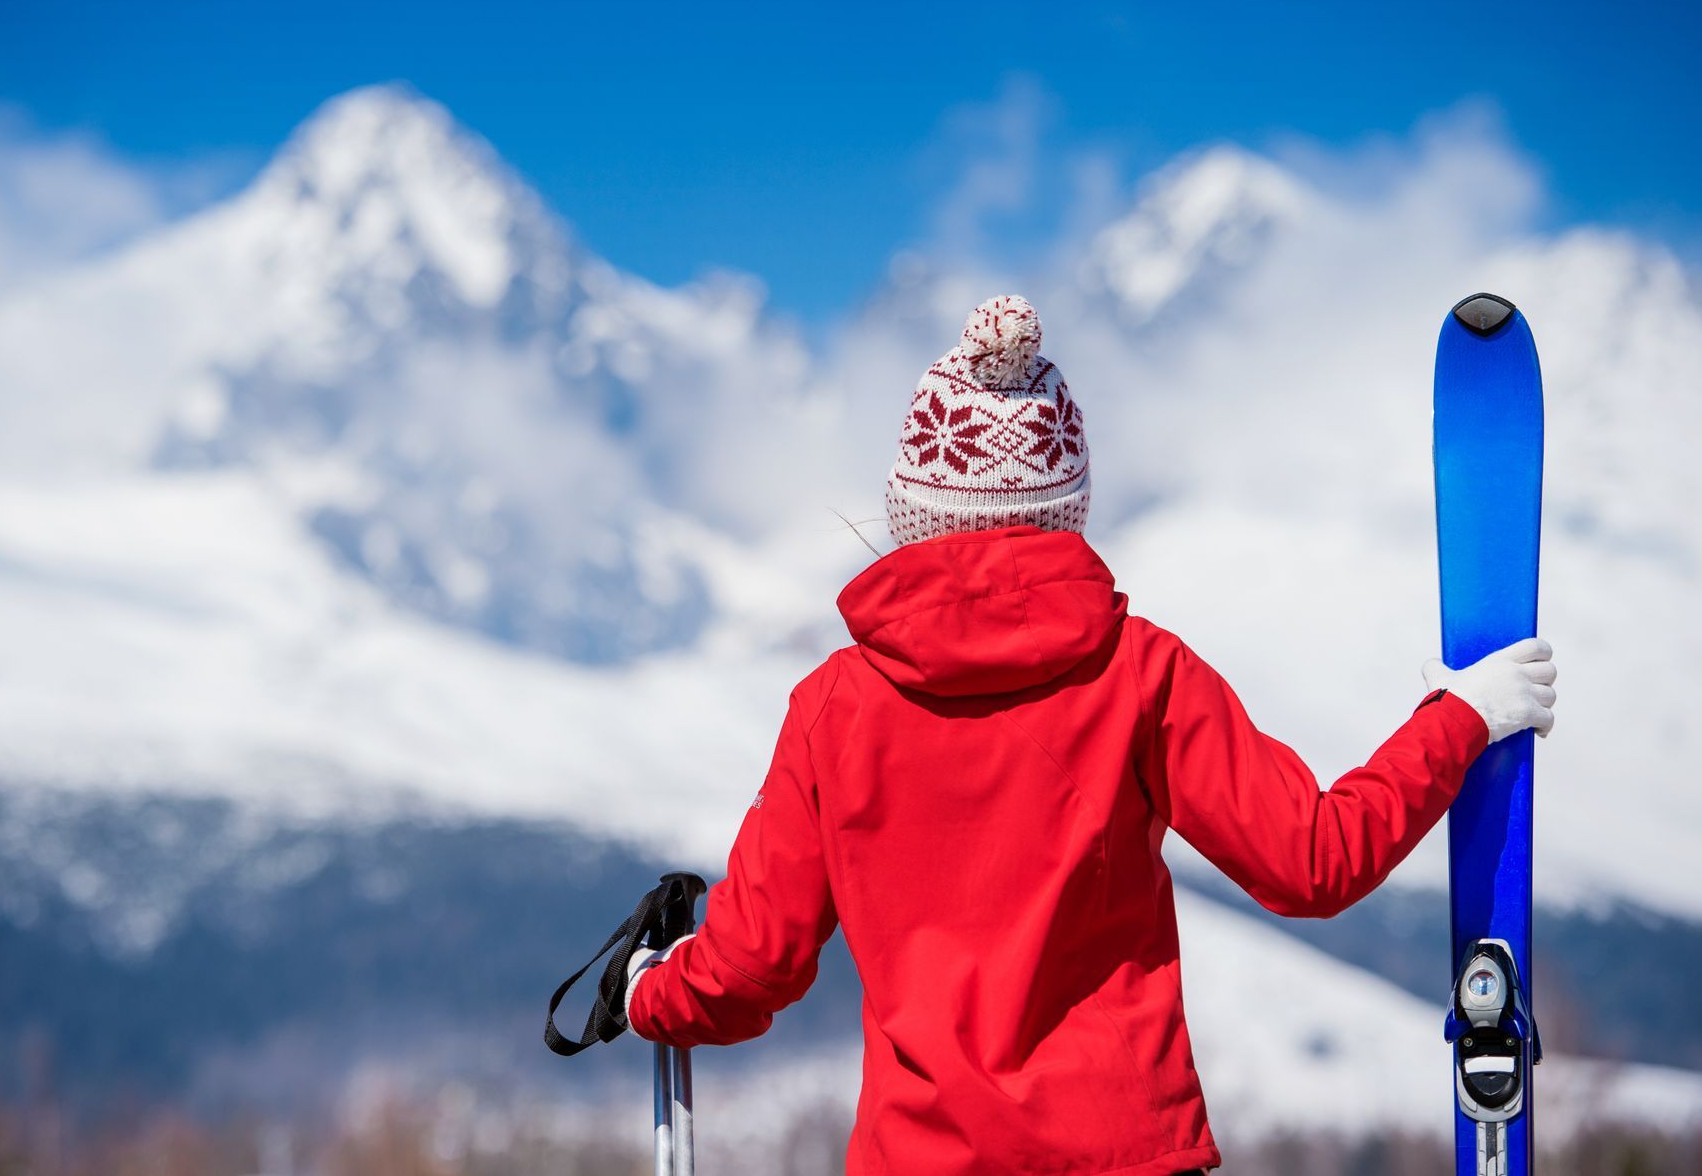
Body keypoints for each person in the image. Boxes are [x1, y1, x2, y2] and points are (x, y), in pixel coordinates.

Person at [621, 295, 1557, 1176]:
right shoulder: (1140, 674)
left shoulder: (834, 707)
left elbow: (749, 970)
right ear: (1066, 507)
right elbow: (1314, 862)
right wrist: (1462, 719)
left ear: (912, 514)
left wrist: (647, 989)